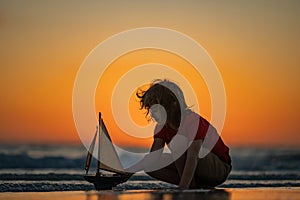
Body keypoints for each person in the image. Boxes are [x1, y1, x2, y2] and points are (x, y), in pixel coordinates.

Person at [126, 79, 231, 189]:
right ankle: (193, 185)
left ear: (173, 104)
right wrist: (127, 171)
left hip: (218, 169)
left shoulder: (192, 121)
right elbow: (154, 157)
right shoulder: (162, 127)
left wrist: (182, 188)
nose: (152, 113)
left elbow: (192, 157)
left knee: (178, 142)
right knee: (150, 165)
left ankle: (186, 185)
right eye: (150, 108)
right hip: (195, 170)